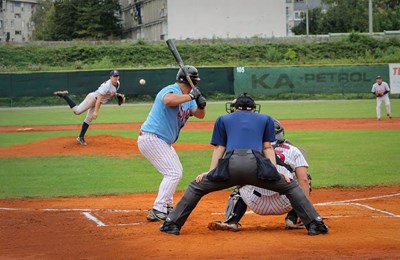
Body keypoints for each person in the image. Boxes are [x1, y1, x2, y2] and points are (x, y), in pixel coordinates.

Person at [160, 93, 328, 236]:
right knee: (291, 187)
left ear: (235, 108)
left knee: (196, 188)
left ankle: (172, 224)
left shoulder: (223, 119)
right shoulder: (266, 119)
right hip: (256, 166)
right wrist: (276, 172)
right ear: (254, 109)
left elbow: (220, 148)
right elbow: (268, 148)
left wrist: (211, 172)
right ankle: (315, 224)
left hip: (230, 166)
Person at [208, 117, 312, 232]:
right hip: (285, 202)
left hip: (256, 203)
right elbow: (303, 181)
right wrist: (307, 213)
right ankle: (293, 218)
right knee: (306, 179)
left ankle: (232, 221)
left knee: (240, 180)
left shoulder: (251, 149)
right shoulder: (293, 150)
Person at [137, 65, 207, 222]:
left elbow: (199, 115)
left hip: (162, 141)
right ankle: (158, 208)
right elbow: (168, 101)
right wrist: (190, 96)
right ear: (192, 81)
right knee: (173, 172)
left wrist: (201, 104)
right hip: (152, 137)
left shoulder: (188, 98)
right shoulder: (171, 90)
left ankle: (167, 206)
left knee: (176, 171)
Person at [53, 70, 123, 145]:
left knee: (89, 119)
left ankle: (81, 137)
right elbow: (99, 98)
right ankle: (65, 96)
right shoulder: (107, 85)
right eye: (114, 76)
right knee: (77, 111)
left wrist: (116, 95)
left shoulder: (117, 84)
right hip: (93, 98)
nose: (115, 78)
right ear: (110, 77)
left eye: (117, 76)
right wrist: (96, 112)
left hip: (97, 101)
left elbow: (109, 93)